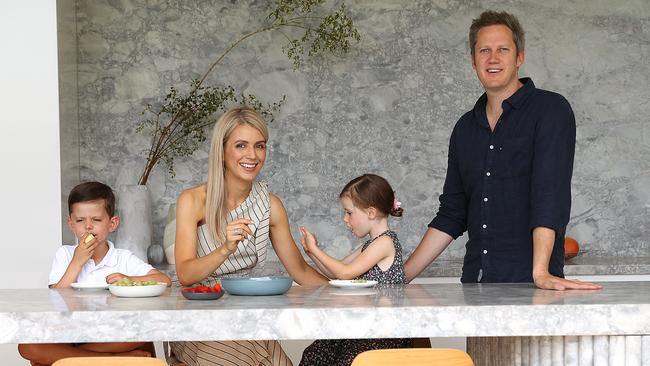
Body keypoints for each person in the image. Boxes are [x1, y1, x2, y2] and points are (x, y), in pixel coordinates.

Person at [404, 10, 602, 291]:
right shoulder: (465, 128)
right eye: (484, 50)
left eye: (502, 49)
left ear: (519, 57)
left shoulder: (550, 111)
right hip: (476, 285)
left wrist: (541, 272)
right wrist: (399, 278)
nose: (493, 58)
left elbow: (549, 196)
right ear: (473, 61)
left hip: (531, 287)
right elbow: (452, 213)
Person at [170, 106, 328, 366]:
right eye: (241, 145)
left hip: (245, 318)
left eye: (260, 146)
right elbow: (186, 274)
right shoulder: (193, 200)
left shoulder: (270, 205)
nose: (252, 155)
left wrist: (349, 292)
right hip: (198, 319)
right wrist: (225, 248)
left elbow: (300, 271)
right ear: (222, 151)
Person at [18, 181, 171, 366]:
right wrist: (77, 261)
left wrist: (129, 279)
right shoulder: (65, 254)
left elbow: (164, 280)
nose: (88, 227)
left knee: (149, 330)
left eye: (96, 220)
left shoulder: (123, 258)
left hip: (112, 333)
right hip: (69, 333)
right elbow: (55, 298)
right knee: (27, 347)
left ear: (112, 223)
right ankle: (109, 360)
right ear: (71, 224)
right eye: (80, 220)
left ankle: (73, 357)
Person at [298, 173, 412, 366]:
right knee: (314, 353)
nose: (345, 219)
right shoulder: (370, 245)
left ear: (371, 213)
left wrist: (317, 250)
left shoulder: (385, 242)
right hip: (363, 327)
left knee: (347, 361)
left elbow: (345, 273)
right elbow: (336, 272)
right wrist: (312, 252)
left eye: (349, 212)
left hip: (383, 332)